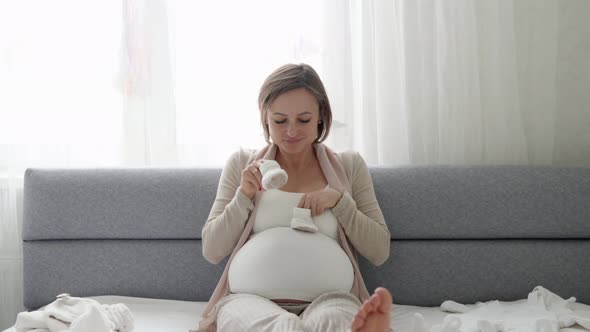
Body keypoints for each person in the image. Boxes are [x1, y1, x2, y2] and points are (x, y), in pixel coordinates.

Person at [196, 63, 392, 332]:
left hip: (331, 300)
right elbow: (212, 250)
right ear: (265, 117)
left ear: (321, 116)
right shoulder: (242, 164)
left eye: (303, 120)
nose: (291, 131)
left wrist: (340, 202)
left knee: (332, 321)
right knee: (283, 327)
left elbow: (380, 251)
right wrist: (244, 196)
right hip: (249, 301)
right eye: (279, 121)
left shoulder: (349, 167)